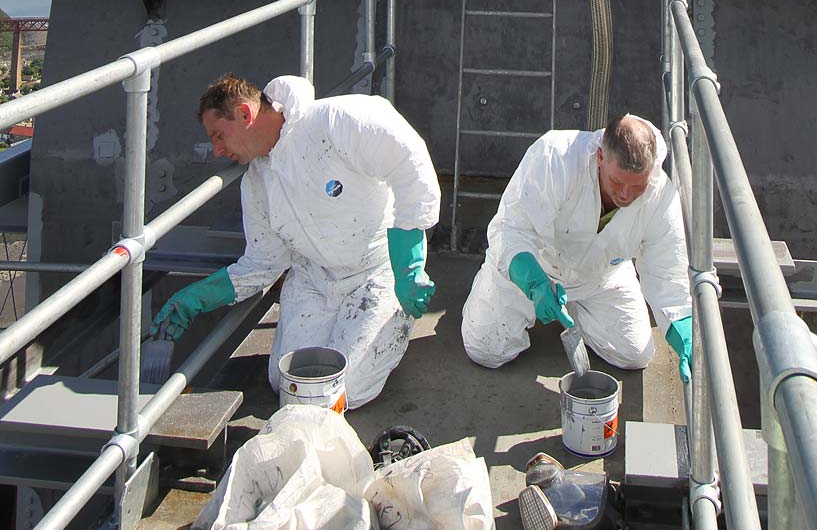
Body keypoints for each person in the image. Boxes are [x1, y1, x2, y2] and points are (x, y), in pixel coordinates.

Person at [151, 73, 441, 408]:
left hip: (375, 272)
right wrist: (197, 297)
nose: (217, 151)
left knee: (343, 388)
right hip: (313, 278)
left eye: (219, 136)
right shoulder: (257, 182)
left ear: (245, 114)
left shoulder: (335, 121)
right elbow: (264, 262)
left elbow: (409, 162)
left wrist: (409, 265)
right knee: (288, 383)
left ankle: (393, 321)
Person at [461, 114, 693, 379]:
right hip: (535, 266)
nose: (625, 196)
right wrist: (534, 284)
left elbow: (667, 272)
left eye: (637, 187)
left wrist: (684, 333)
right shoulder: (555, 157)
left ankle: (577, 308)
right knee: (486, 349)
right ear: (601, 157)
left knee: (634, 355)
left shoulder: (661, 196)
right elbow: (511, 229)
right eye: (617, 182)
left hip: (600, 276)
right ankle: (493, 287)